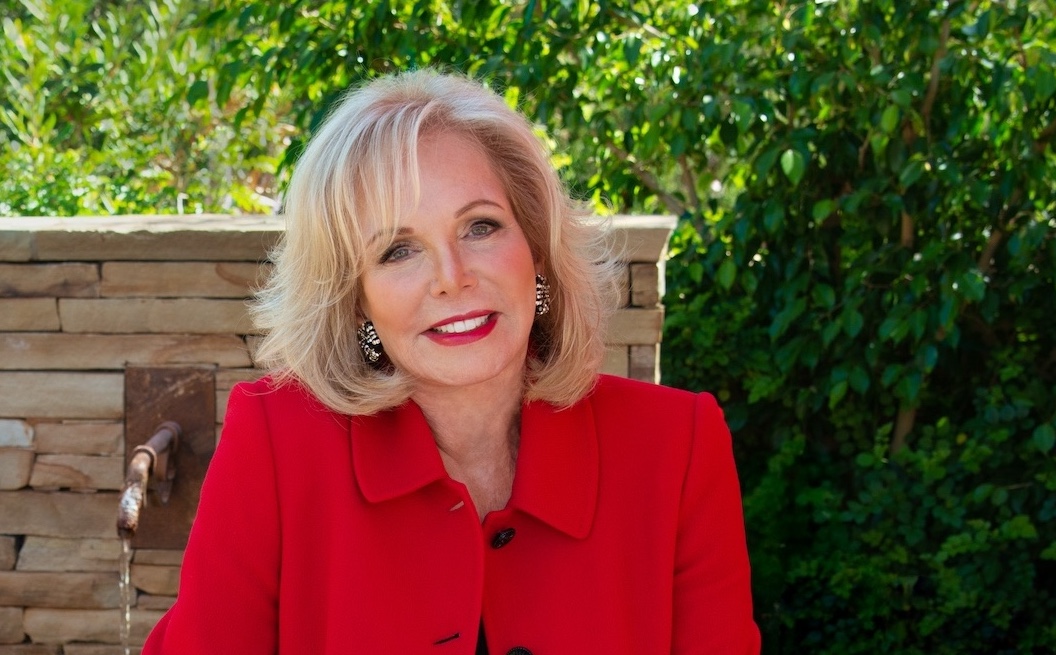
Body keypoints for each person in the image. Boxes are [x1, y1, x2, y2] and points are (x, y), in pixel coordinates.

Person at [141, 69, 760, 654]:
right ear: (355, 300)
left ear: (537, 248)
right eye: (397, 250)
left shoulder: (676, 447)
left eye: (480, 227)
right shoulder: (278, 446)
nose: (451, 277)